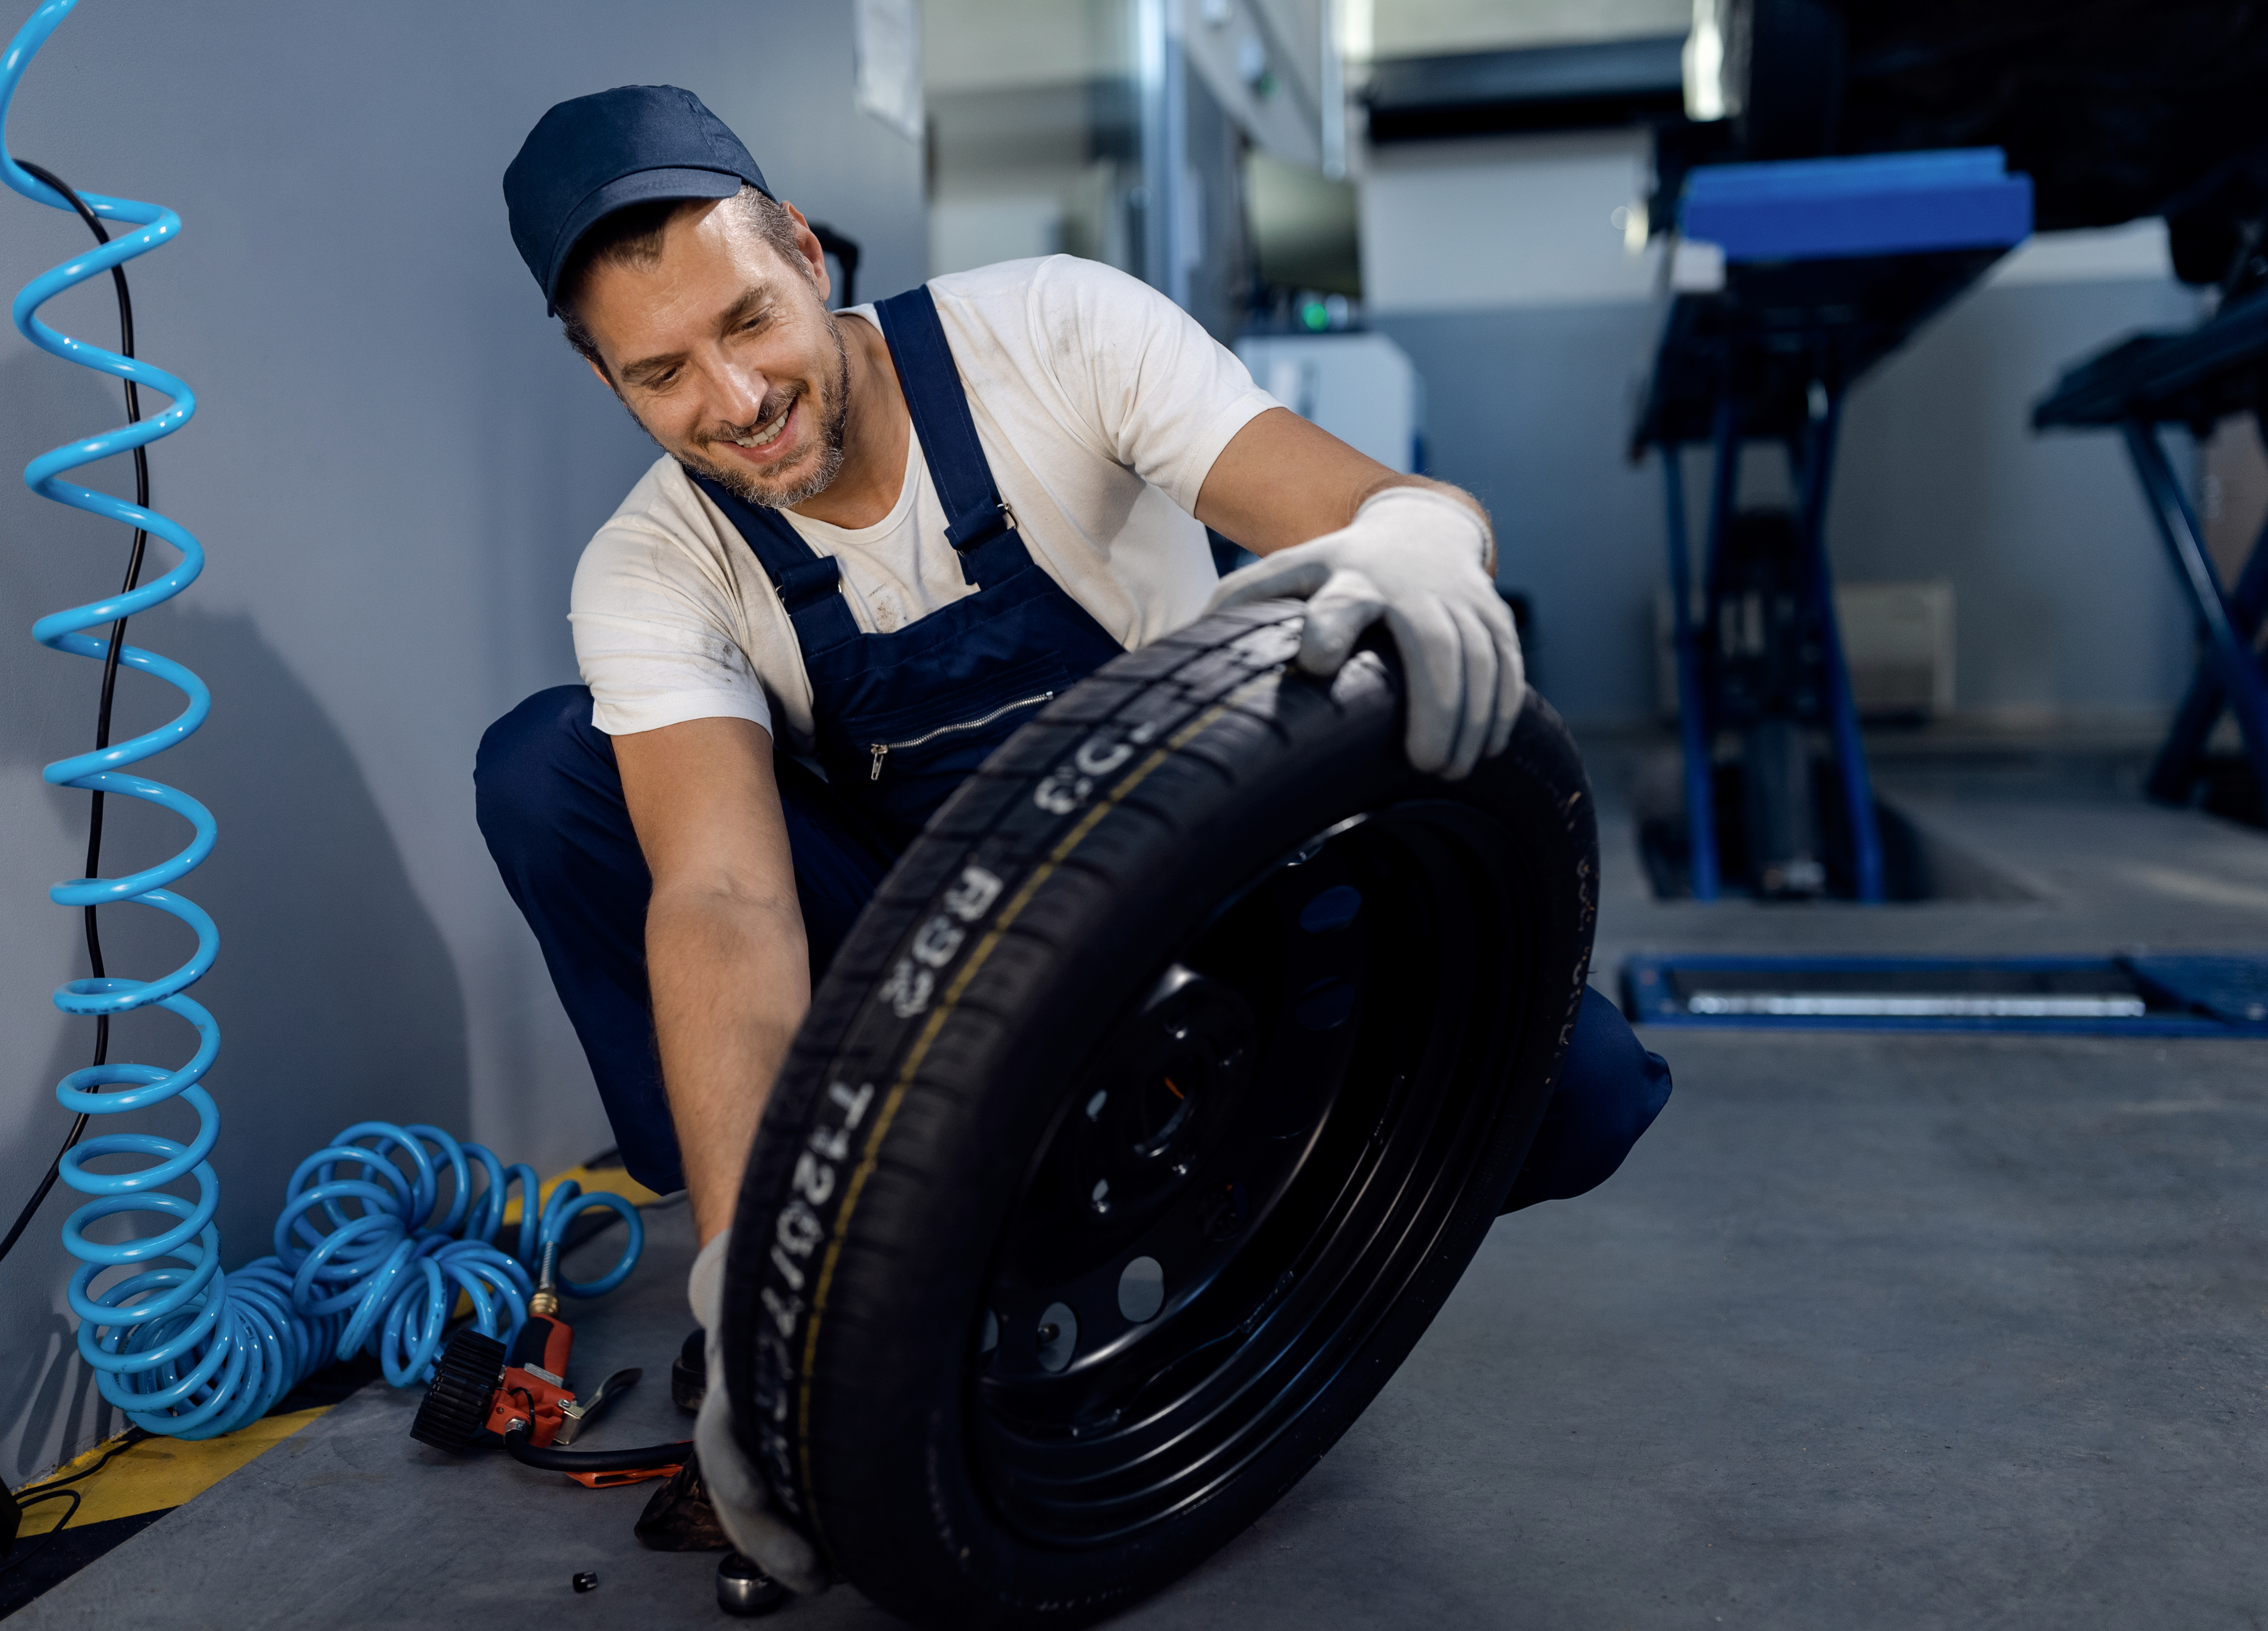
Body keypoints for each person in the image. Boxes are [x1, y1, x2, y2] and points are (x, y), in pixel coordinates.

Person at [479, 85, 1670, 1588]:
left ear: (803, 246)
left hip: (1202, 910)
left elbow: (1349, 500)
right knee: (548, 769)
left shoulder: (1048, 329)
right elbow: (724, 894)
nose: (733, 398)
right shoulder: (656, 565)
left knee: (1579, 1093)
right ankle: (809, 1299)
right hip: (920, 976)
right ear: (604, 379)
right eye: (662, 373)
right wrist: (750, 1290)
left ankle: (1260, 1254)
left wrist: (1418, 539)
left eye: (750, 320)